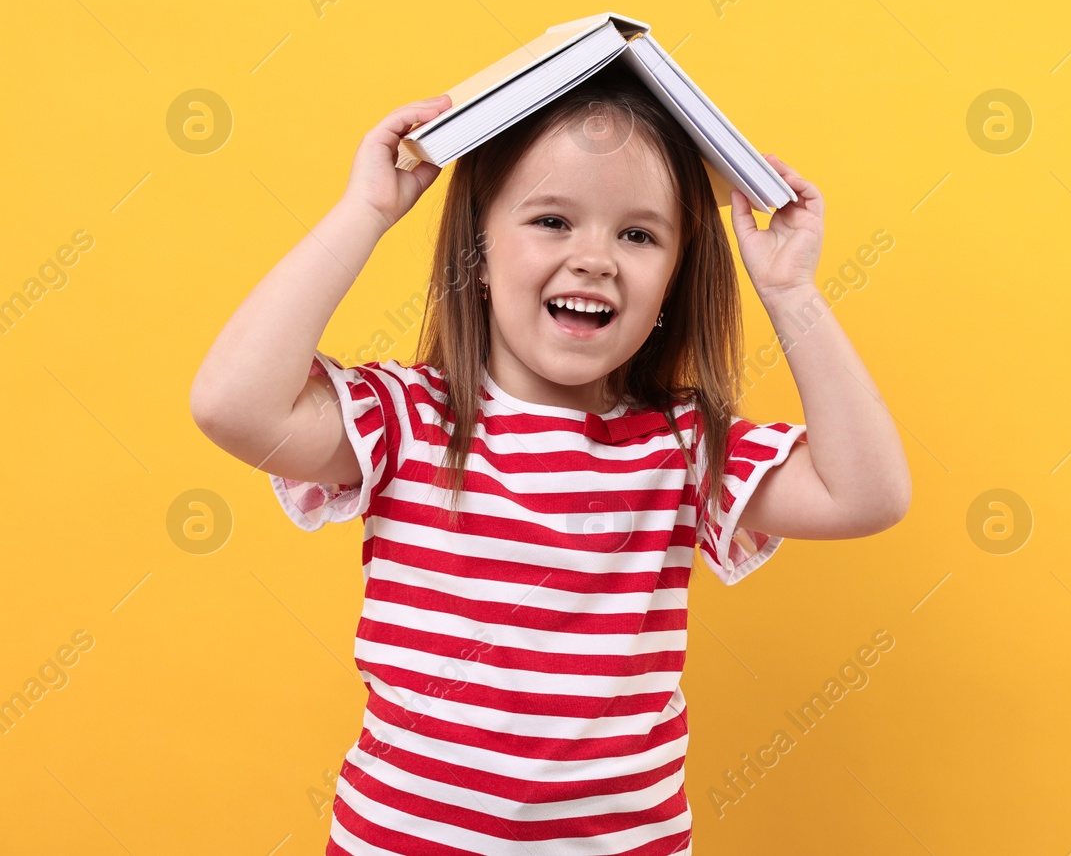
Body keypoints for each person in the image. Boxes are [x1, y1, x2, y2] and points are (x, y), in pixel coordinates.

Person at [189, 60, 912, 854]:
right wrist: (366, 210)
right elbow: (232, 404)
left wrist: (790, 289)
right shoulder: (408, 419)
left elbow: (867, 494)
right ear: (480, 251)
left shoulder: (679, 447)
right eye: (552, 221)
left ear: (673, 278)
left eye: (638, 234)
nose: (595, 257)